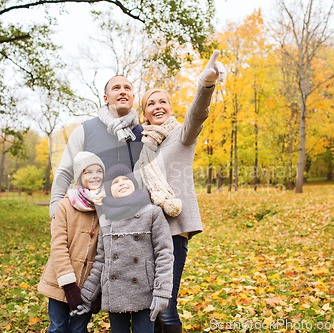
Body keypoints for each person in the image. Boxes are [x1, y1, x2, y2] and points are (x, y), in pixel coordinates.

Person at [135, 50, 226, 333]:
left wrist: (205, 84)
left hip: (174, 229)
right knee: (149, 303)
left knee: (165, 306)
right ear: (145, 112)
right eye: (151, 103)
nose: (158, 106)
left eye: (163, 101)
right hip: (146, 230)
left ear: (171, 108)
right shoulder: (144, 146)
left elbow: (198, 113)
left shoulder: (182, 134)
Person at [72, 164, 174, 333]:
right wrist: (86, 297)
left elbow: (164, 254)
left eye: (126, 179)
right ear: (109, 190)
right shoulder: (106, 218)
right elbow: (101, 261)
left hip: (145, 291)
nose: (122, 183)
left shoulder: (152, 213)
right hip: (115, 293)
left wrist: (162, 292)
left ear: (134, 183)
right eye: (115, 182)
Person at [49, 75, 144, 218]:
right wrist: (55, 212)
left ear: (133, 96)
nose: (123, 91)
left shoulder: (143, 134)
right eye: (116, 88)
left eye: (127, 88)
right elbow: (64, 172)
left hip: (135, 219)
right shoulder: (85, 130)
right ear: (106, 98)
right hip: (92, 218)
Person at [38, 151, 106, 333]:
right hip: (61, 279)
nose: (94, 176)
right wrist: (68, 285)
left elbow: (107, 250)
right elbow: (58, 246)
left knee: (78, 329)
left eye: (98, 171)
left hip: (88, 285)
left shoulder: (106, 207)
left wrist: (98, 289)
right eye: (88, 172)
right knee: (58, 327)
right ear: (79, 176)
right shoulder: (65, 205)